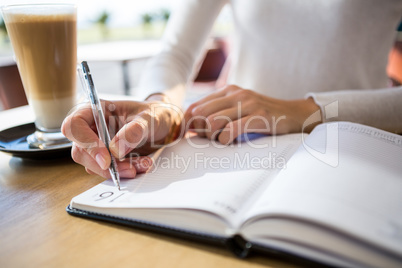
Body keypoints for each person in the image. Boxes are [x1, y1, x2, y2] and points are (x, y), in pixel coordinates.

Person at [62, 0, 402, 179]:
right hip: (237, 149)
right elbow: (176, 52)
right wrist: (160, 104)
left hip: (358, 150)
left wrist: (304, 111)